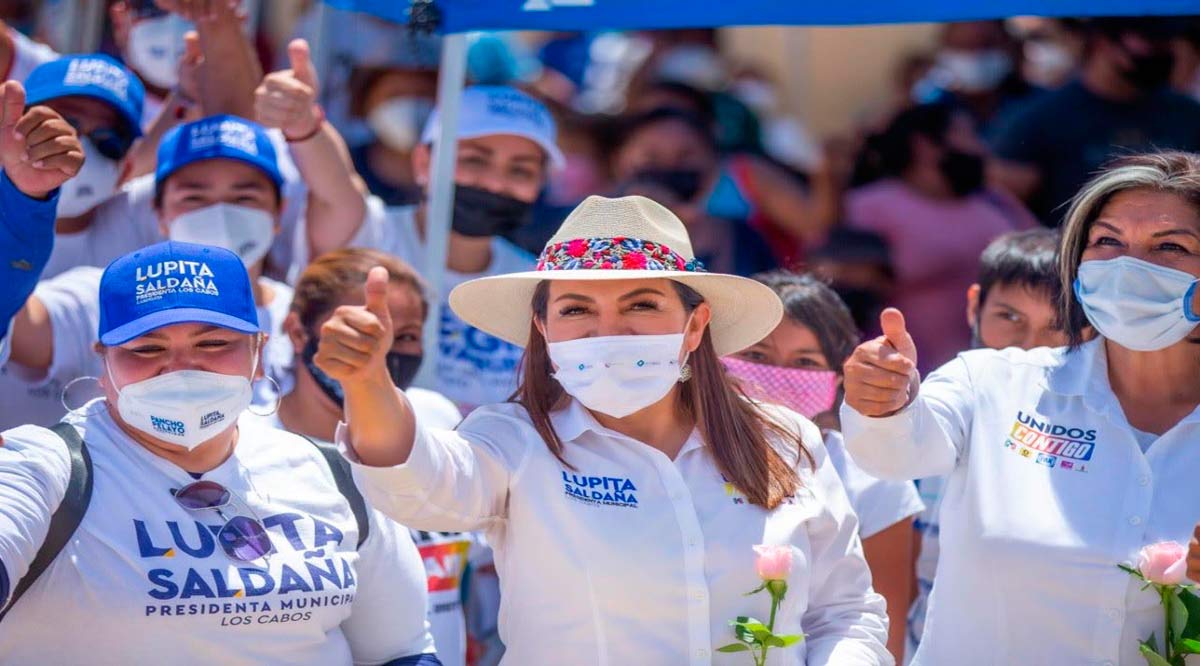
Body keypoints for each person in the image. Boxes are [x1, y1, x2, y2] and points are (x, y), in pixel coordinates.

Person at [317, 194, 891, 663]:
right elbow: (419, 482)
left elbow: (844, 611)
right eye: (576, 309)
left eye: (642, 305)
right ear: (541, 327)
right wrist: (367, 383)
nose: (607, 331)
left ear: (695, 325)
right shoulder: (516, 442)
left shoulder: (784, 440)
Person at [0, 240, 438, 664]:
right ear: (104, 361)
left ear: (258, 351)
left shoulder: (334, 475)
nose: (182, 368)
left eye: (212, 344)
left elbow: (402, 650)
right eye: (146, 349)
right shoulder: (44, 466)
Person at [841, 151, 1200, 664]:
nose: (1130, 264)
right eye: (1107, 241)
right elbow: (896, 451)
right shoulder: (991, 381)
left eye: (1170, 245)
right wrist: (881, 399)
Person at [0, 113, 301, 430]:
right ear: (158, 211)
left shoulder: (301, 316)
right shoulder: (103, 298)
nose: (220, 212)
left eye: (244, 197)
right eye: (148, 348)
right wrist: (22, 201)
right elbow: (12, 315)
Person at [267, 248, 492, 666]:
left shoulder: (436, 419)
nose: (380, 350)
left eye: (403, 336)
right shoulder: (254, 447)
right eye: (360, 329)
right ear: (298, 332)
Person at [307, 84, 564, 412]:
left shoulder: (536, 281)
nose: (495, 183)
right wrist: (304, 125)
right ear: (423, 162)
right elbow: (331, 181)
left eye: (520, 170)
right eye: (474, 160)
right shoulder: (368, 232)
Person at [723, 271, 923, 663]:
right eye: (757, 357)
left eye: (804, 362)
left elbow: (882, 633)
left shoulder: (873, 480)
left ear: (836, 378)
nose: (779, 375)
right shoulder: (681, 455)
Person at [905, 226, 1070, 661]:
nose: (1028, 346)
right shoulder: (930, 412)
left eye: (1056, 327)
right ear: (975, 304)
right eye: (1010, 318)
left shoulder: (1089, 436)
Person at [846, 102, 1036, 374]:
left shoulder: (992, 199)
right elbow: (854, 287)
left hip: (1000, 370)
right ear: (925, 145)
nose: (980, 147)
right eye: (968, 135)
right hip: (908, 378)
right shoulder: (869, 206)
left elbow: (1042, 250)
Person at [990, 17, 1200, 224]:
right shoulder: (1041, 117)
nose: (1161, 52)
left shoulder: (1186, 114)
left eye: (1166, 42)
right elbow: (1006, 202)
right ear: (1103, 42)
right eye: (1150, 42)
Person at [608, 106, 828, 267]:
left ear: (712, 152)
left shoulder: (747, 176)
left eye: (686, 154)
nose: (670, 165)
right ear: (619, 159)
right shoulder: (607, 209)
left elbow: (815, 229)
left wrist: (827, 175)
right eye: (651, 156)